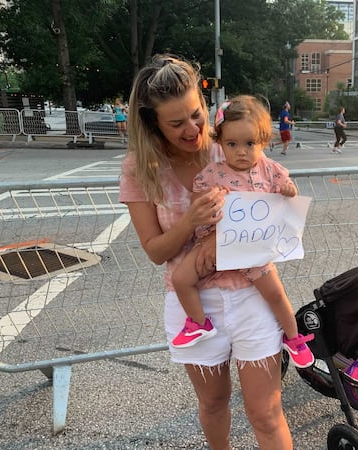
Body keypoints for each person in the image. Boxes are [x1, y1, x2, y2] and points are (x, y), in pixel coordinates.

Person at [119, 54, 293, 449]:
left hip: (251, 294)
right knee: (213, 403)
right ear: (153, 124)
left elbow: (273, 191)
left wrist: (284, 196)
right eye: (176, 123)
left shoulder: (228, 143)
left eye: (196, 115)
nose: (192, 129)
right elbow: (155, 251)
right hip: (193, 305)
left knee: (265, 411)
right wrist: (188, 221)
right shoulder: (139, 169)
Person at [170, 95, 315, 369]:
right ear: (220, 143)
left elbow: (289, 191)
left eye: (250, 144)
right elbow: (197, 203)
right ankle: (199, 322)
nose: (241, 152)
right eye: (231, 144)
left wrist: (289, 190)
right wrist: (211, 199)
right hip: (217, 246)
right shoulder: (212, 173)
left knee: (276, 294)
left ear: (263, 141)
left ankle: (294, 338)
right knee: (181, 279)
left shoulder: (270, 169)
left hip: (255, 251)